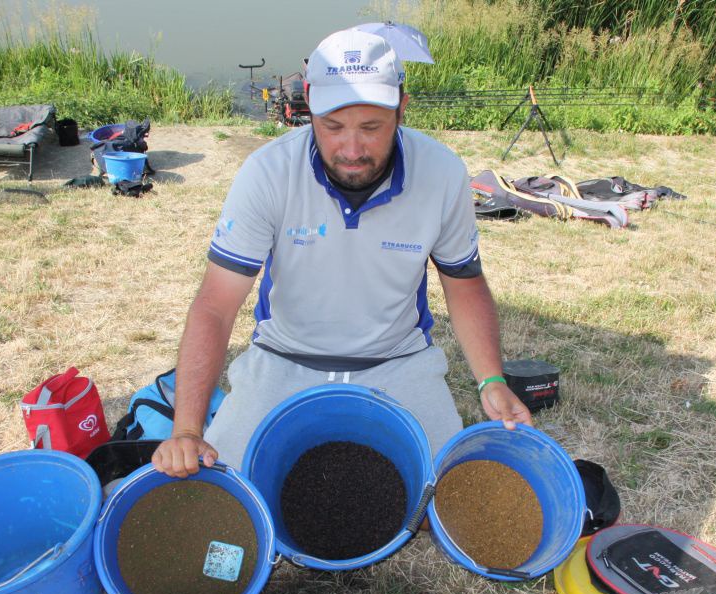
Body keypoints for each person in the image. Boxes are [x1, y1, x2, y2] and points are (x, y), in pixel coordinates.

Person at [152, 29, 531, 478]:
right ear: (308, 107)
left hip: (398, 360)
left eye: (371, 128)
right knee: (228, 490)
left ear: (401, 109)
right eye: (332, 127)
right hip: (283, 359)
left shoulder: (444, 173)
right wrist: (188, 428)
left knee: (443, 493)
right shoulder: (266, 172)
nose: (352, 150)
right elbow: (215, 304)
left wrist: (491, 381)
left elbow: (464, 284)